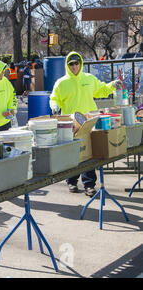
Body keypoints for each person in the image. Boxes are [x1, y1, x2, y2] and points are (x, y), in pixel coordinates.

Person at [50, 52, 123, 197]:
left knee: (88, 153)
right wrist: (54, 106)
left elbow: (101, 89)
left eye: (77, 63)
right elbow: (54, 98)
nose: (74, 66)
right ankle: (71, 180)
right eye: (71, 64)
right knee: (73, 153)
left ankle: (89, 185)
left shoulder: (89, 78)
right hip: (71, 123)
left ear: (81, 63)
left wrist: (112, 85)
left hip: (89, 122)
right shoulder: (61, 83)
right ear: (67, 65)